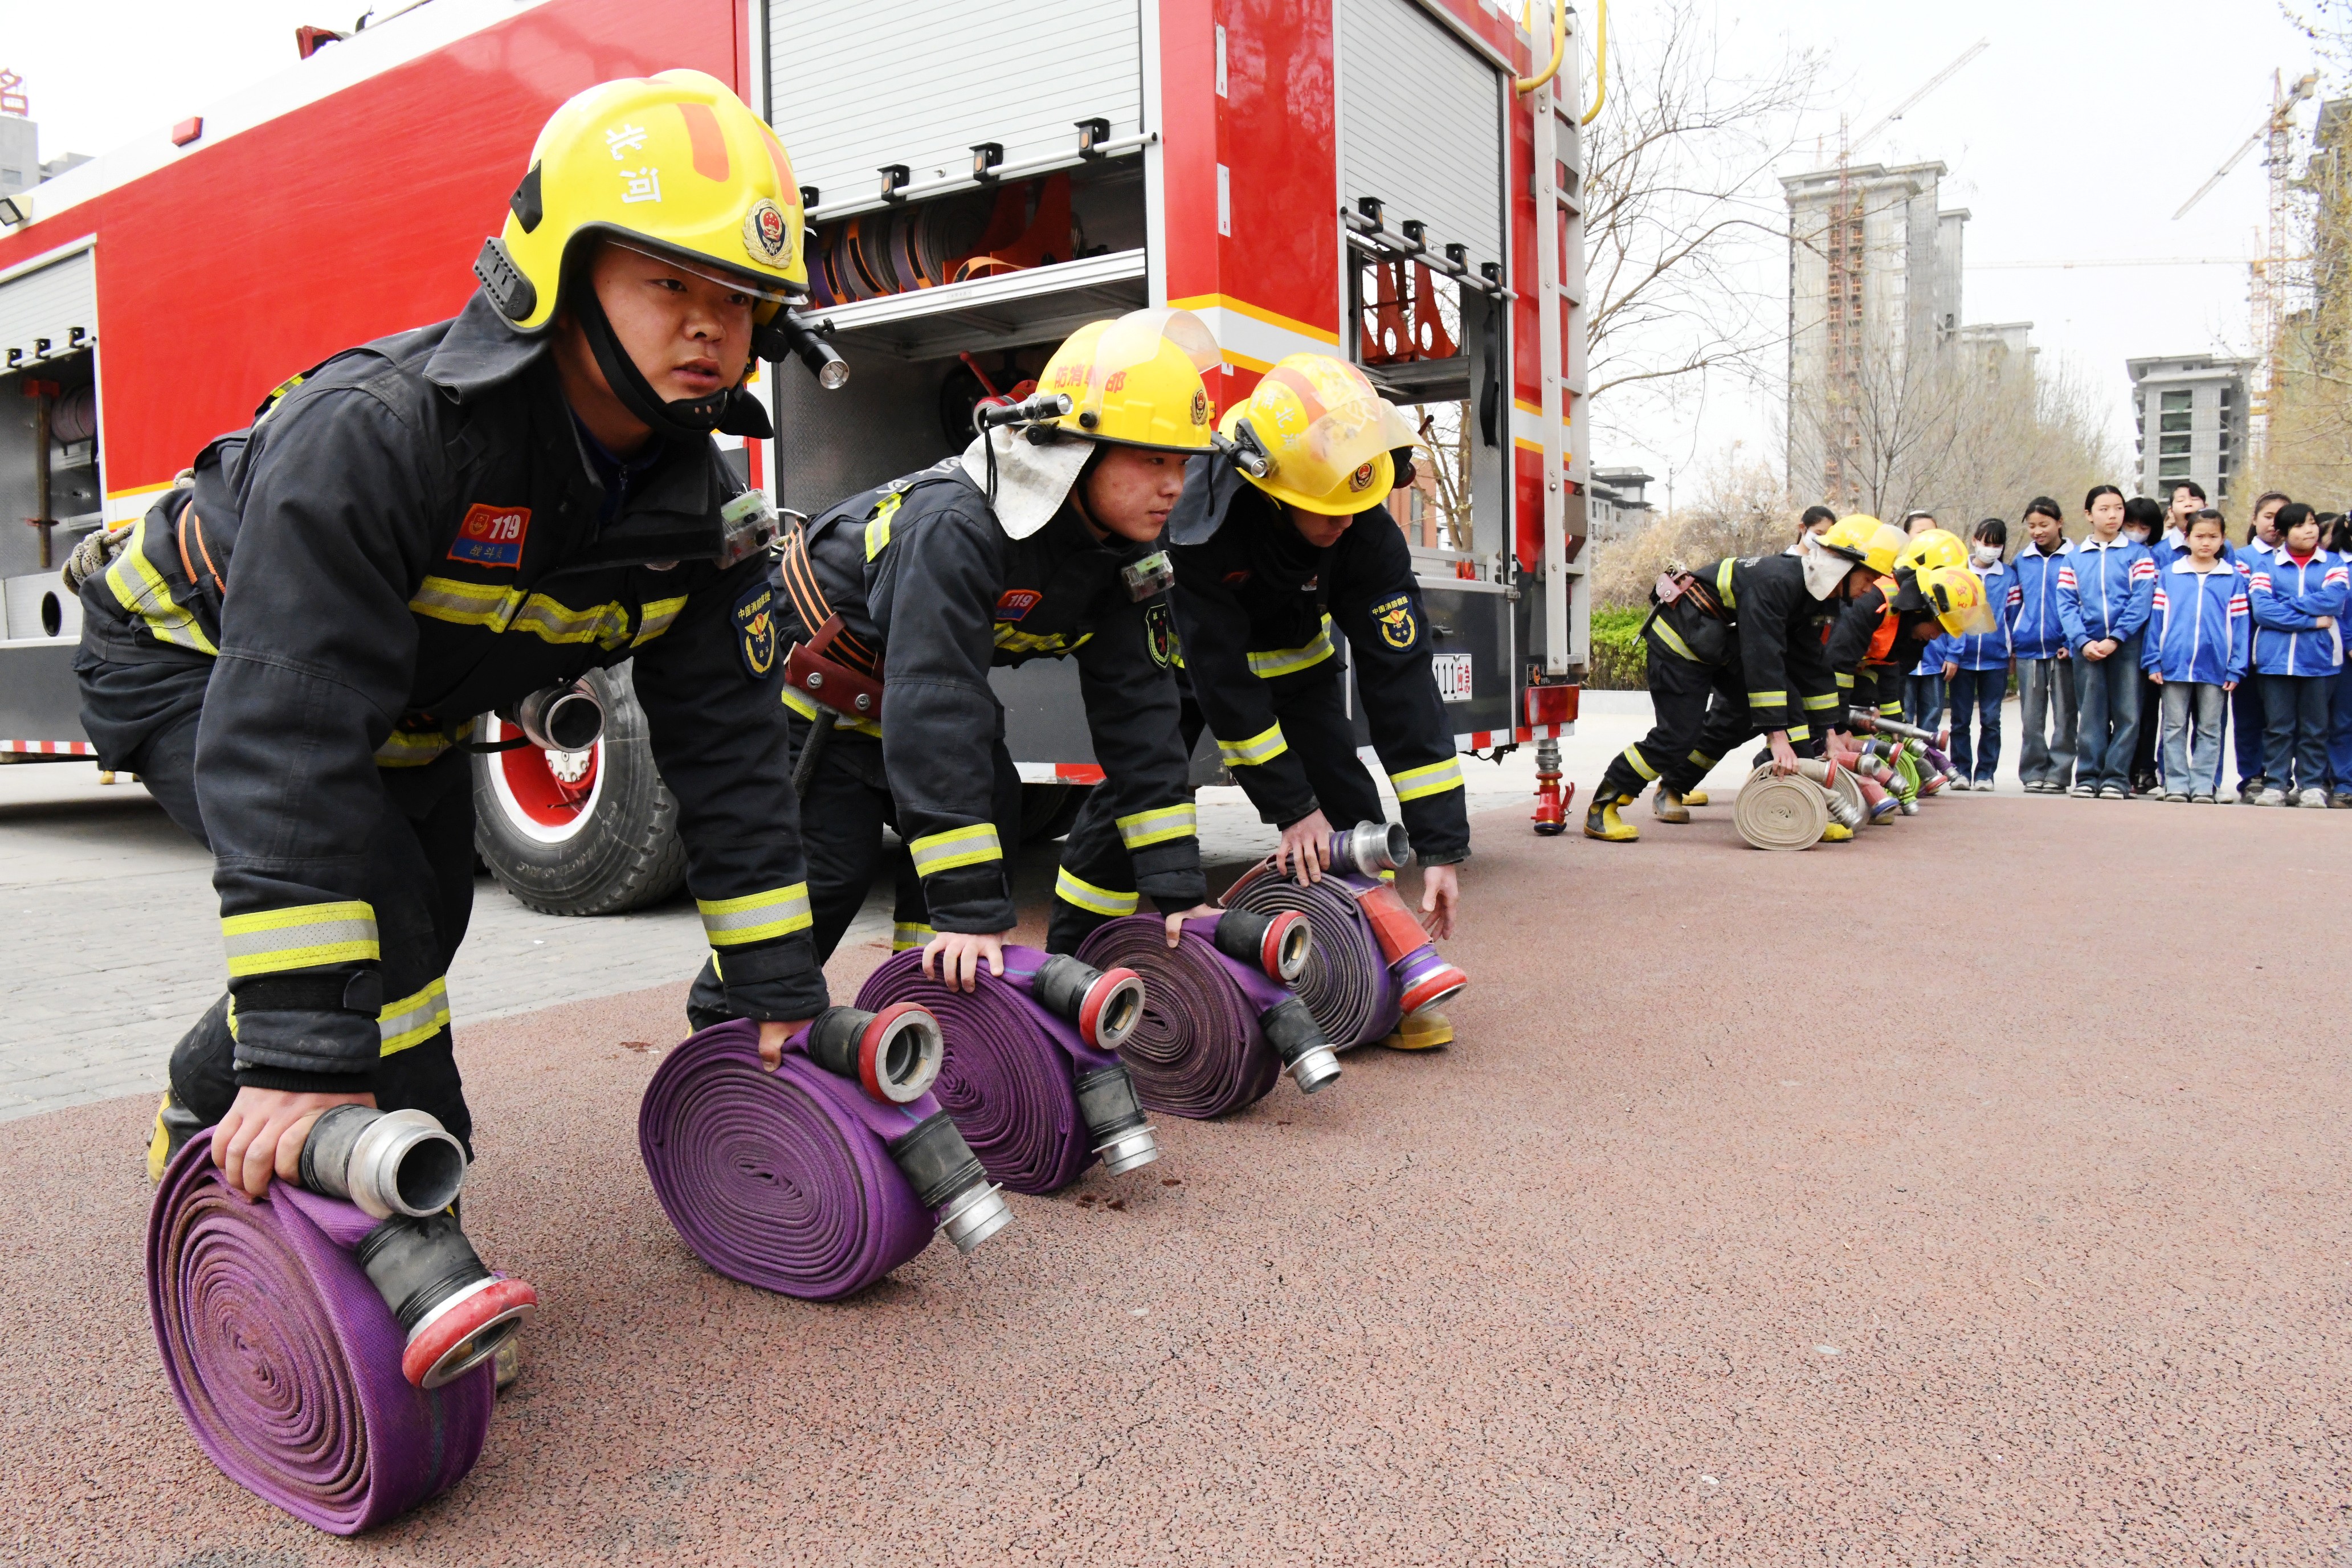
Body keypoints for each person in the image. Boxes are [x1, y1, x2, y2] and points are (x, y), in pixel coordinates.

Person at [75, 73, 828, 1196]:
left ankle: (204, 1093)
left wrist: (776, 986)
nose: (709, 324)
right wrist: (301, 1061)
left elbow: (728, 751)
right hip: (188, 652)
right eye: (668, 279)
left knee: (420, 928)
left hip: (402, 704)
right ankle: (400, 1191)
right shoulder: (382, 436)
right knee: (368, 911)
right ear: (562, 280)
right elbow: (288, 732)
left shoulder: (702, 516)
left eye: (739, 296)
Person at [686, 307, 1218, 1038]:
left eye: (1184, 463)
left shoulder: (1122, 557)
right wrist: (972, 913)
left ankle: (922, 1015)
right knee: (823, 877)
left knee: (986, 810)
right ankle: (721, 1042)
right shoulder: (957, 526)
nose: (1176, 487)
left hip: (901, 699)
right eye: (1153, 460)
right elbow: (938, 704)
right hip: (813, 702)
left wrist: (1177, 893)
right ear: (1077, 451)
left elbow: (1144, 716)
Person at [1133, 354, 1465, 1044]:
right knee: (1139, 802)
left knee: (1350, 807)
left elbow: (1402, 686)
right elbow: (1225, 686)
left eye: (1355, 506)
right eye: (1327, 509)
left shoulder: (1365, 525)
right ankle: (1092, 958)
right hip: (1192, 666)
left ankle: (1386, 982)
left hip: (1296, 660)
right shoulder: (1205, 521)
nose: (1344, 524)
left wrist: (1440, 846)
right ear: (1275, 489)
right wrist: (1291, 808)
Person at [1584, 518, 1883, 842]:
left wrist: (1830, 731)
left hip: (1720, 646)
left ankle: (1805, 807)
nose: (1870, 589)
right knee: (1677, 737)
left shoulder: (1816, 594)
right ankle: (1603, 808)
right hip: (1680, 642)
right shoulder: (1777, 583)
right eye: (1868, 579)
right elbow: (1762, 657)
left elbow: (1811, 664)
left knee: (1791, 708)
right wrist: (1776, 736)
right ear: (1842, 566)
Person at [2244, 502, 2348, 806]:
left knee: (2315, 727)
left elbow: (2333, 601)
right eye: (2301, 525)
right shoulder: (2266, 566)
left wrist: (2287, 605)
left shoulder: (2334, 565)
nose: (2310, 530)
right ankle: (2276, 783)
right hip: (2275, 660)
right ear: (2284, 533)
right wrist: (2311, 620)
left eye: (2313, 523)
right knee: (2278, 727)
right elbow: (2263, 611)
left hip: (2321, 660)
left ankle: (2312, 785)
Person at [2142, 509, 2248, 802]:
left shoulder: (2232, 578)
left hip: (2216, 666)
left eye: (2213, 537)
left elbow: (2240, 626)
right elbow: (2157, 621)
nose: (2206, 543)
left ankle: (2203, 784)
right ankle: (2176, 783)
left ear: (2223, 539)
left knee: (2210, 728)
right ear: (2187, 538)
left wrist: (2237, 667)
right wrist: (2153, 659)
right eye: (2199, 536)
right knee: (2173, 727)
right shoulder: (2170, 575)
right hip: (2174, 664)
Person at [2056, 485, 2155, 799]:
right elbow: (2066, 604)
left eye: (2118, 508)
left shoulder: (2139, 555)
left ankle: (2115, 778)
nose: (2113, 515)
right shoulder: (2074, 559)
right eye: (2104, 509)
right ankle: (2088, 776)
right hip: (2086, 648)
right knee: (2091, 713)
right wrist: (2083, 641)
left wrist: (2116, 638)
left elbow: (2141, 600)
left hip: (2126, 646)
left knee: (2128, 713)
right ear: (2088, 514)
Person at [2009, 497, 2075, 793]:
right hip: (2029, 649)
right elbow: (2013, 606)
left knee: (2065, 716)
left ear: (2060, 523)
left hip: (2064, 651)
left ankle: (2059, 774)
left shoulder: (2076, 558)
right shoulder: (2022, 561)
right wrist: (2015, 639)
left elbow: (2083, 604)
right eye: (2032, 526)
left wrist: (2072, 641)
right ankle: (2033, 771)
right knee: (2031, 718)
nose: (2037, 531)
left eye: (2044, 525)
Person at [1942, 519, 2014, 790]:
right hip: (1964, 658)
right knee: (1960, 719)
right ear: (1974, 541)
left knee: (1991, 719)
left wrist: (2012, 652)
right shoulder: (1958, 573)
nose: (1991, 549)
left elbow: (2013, 615)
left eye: (1997, 545)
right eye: (1987, 543)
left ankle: (1986, 773)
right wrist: (1953, 652)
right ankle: (1960, 770)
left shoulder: (2008, 576)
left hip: (1995, 658)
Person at [2230, 491, 2291, 799]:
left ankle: (2279, 775)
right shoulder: (2242, 558)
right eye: (2268, 516)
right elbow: (2251, 604)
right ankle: (2252, 775)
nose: (2275, 524)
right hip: (2249, 649)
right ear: (2255, 520)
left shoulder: (2300, 558)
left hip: (2287, 653)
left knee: (2281, 720)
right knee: (2249, 717)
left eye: (2282, 517)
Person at [2121, 496, 2170, 794]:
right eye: (2131, 525)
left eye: (2144, 526)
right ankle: (2120, 768)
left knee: (2148, 710)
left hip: (2154, 642)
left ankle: (2144, 768)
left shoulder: (2162, 555)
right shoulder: (2117, 554)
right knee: (2122, 709)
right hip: (2122, 640)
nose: (2137, 531)